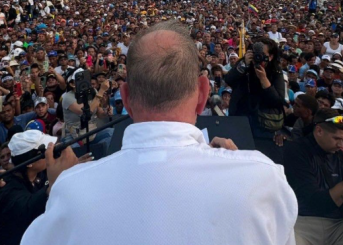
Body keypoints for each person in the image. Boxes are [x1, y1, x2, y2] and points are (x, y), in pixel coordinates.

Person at [22, 21, 297, 245]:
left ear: (126, 99)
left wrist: (55, 189)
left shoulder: (70, 189)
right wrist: (243, 172)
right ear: (203, 95)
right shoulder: (265, 180)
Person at [0, 130, 81, 245]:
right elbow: (28, 208)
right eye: (45, 152)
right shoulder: (7, 188)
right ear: (29, 163)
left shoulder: (40, 174)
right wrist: (55, 181)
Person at [284, 109, 343, 245]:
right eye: (337, 139)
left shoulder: (339, 152)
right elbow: (314, 202)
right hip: (304, 221)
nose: (341, 144)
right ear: (319, 131)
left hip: (338, 223)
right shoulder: (297, 150)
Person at [225, 38, 286, 163]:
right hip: (240, 120)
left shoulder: (276, 71)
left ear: (271, 57)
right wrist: (243, 65)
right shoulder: (244, 65)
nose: (258, 57)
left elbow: (278, 101)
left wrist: (264, 79)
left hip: (263, 127)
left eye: (262, 55)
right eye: (255, 53)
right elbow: (229, 80)